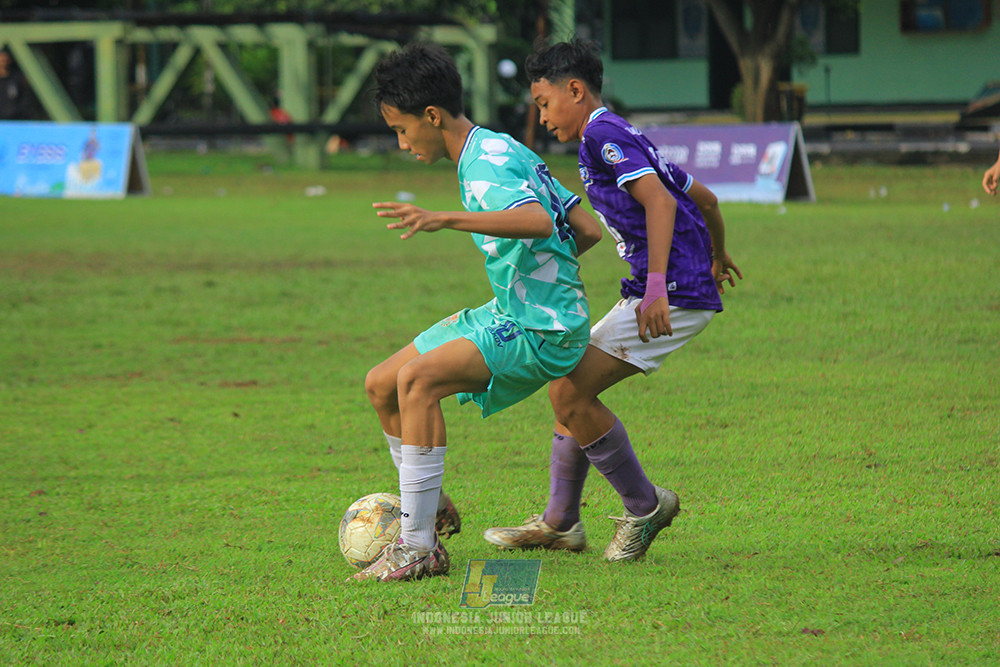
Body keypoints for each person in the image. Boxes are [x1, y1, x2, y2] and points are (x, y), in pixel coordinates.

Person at [483, 39, 742, 562]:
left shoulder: (601, 134)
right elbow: (705, 198)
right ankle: (560, 522)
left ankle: (645, 507)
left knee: (569, 393)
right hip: (676, 284)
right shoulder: (622, 131)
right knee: (565, 381)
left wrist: (657, 285)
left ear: (574, 90)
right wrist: (717, 251)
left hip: (667, 292)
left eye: (543, 102)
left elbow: (661, 201)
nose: (541, 115)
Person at [353, 42, 602, 582]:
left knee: (417, 382)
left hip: (542, 327)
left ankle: (417, 547)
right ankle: (431, 504)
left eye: (402, 130)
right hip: (514, 308)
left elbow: (538, 222)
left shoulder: (487, 163)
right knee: (382, 382)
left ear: (432, 116)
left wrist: (446, 218)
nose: (402, 143)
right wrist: (540, 277)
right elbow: (584, 230)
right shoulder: (498, 146)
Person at [0, 49, 32, 121]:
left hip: (14, 121)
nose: (2, 63)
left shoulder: (16, 79)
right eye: (1, 60)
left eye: (4, 60)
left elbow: (24, 99)